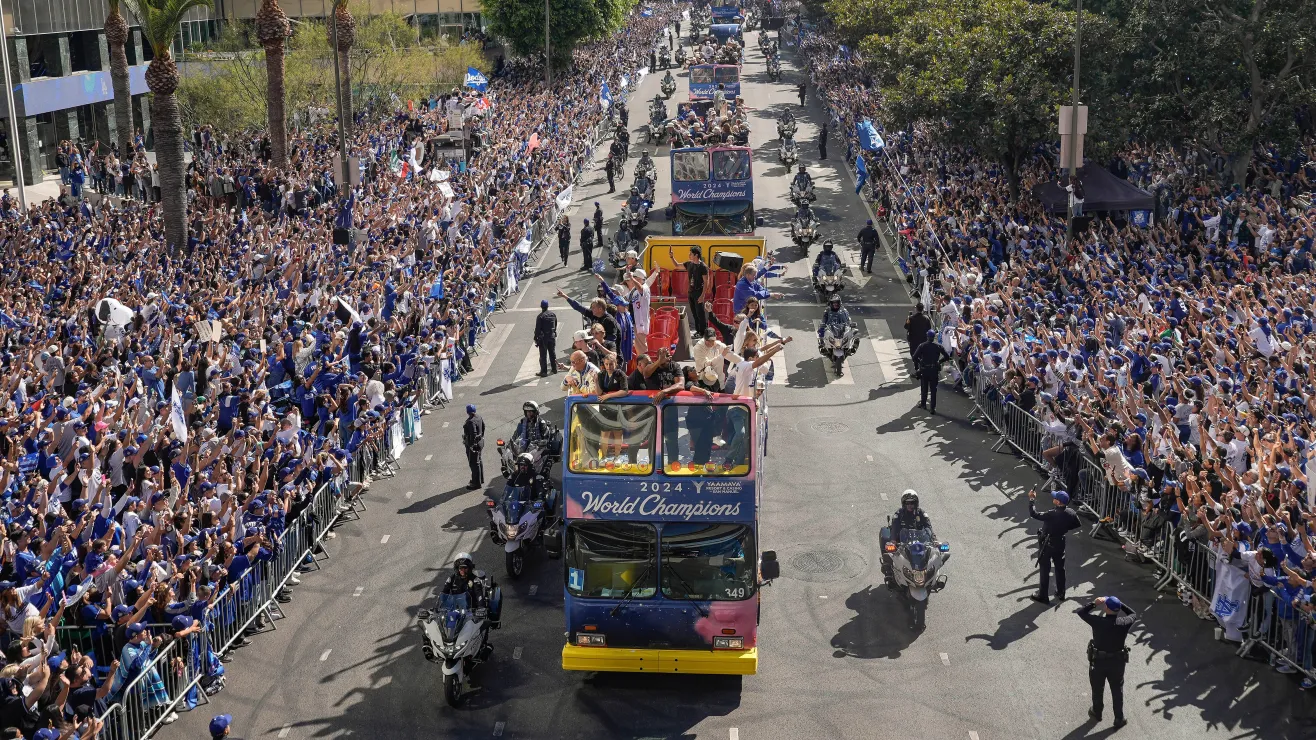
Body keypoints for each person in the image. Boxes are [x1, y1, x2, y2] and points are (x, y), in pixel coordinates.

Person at [1076, 596, 1135, 728]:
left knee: (1097, 688)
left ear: (1106, 608)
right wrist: (1120, 603)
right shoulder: (1124, 623)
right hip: (1117, 662)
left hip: (1099, 662)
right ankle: (1119, 718)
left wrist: (1094, 604)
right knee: (1117, 689)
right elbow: (1133, 614)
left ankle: (1097, 712)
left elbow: (1081, 612)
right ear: (1118, 609)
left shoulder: (1098, 621)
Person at [1028, 488, 1081, 604]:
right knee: (1060, 568)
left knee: (1044, 569)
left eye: (1055, 498)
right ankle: (1061, 592)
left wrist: (1032, 499)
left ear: (1058, 502)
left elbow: (1034, 514)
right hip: (1060, 541)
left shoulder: (1052, 513)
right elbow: (1077, 523)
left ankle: (1043, 595)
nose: (1053, 498)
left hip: (1047, 543)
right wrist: (1064, 528)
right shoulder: (1070, 512)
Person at [882, 489, 933, 585]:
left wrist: (933, 538)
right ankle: (889, 572)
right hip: (902, 542)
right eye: (907, 503)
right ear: (904, 503)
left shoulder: (921, 513)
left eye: (912, 503)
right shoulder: (899, 514)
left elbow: (928, 526)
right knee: (890, 552)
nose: (910, 505)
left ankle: (932, 577)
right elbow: (895, 528)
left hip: (919, 541)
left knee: (933, 555)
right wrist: (893, 540)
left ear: (916, 503)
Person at [911, 330, 951, 412]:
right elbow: (947, 356)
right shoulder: (938, 346)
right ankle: (932, 408)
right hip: (934, 370)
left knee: (924, 388)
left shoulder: (922, 346)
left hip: (925, 369)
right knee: (933, 389)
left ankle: (923, 404)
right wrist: (939, 361)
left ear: (927, 337)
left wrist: (920, 362)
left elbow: (914, 357)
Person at [678, 245, 710, 336]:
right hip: (691, 292)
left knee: (700, 313)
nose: (689, 255)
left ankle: (703, 331)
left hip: (698, 292)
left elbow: (706, 282)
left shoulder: (703, 267)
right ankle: (698, 330)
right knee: (694, 313)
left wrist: (702, 295)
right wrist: (672, 257)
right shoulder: (689, 264)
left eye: (691, 254)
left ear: (696, 255)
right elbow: (677, 265)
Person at [462, 404, 485, 490]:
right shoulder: (479, 417)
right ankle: (480, 479)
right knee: (479, 461)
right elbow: (483, 427)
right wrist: (481, 437)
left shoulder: (470, 421)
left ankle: (476, 483)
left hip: (474, 446)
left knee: (474, 464)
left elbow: (473, 434)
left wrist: (471, 445)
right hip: (480, 443)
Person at [534, 300, 558, 376]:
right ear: (547, 306)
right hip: (552, 336)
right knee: (552, 353)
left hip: (543, 338)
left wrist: (536, 338)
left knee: (543, 355)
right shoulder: (553, 315)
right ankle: (554, 369)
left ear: (541, 306)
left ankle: (544, 372)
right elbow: (555, 325)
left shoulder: (540, 316)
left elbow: (537, 329)